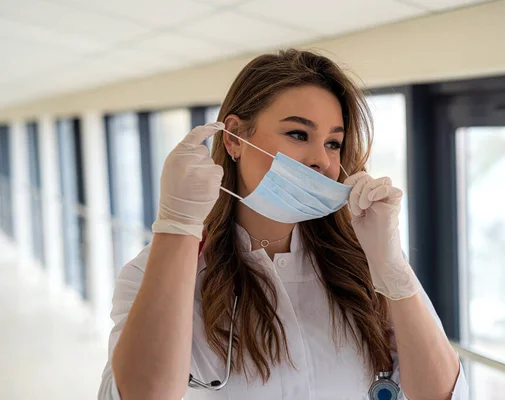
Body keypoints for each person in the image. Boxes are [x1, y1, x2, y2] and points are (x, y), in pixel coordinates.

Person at [98, 49, 467, 400]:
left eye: (334, 143)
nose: (320, 160)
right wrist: (178, 227)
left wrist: (393, 272)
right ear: (233, 138)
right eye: (298, 135)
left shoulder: (366, 264)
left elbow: (441, 395)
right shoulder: (159, 270)